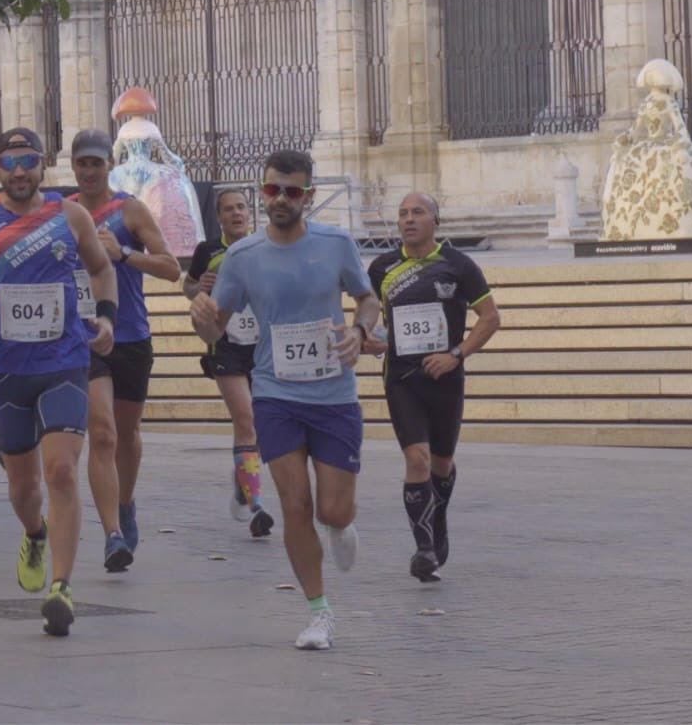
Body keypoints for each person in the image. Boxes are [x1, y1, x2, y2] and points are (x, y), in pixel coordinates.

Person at [190, 149, 380, 651]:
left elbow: (368, 298)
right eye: (271, 190)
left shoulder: (335, 244)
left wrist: (360, 331)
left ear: (308, 197)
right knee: (294, 504)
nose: (279, 200)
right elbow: (217, 324)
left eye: (291, 192)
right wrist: (201, 316)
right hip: (274, 392)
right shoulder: (243, 255)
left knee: (332, 510)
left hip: (333, 394)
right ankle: (318, 613)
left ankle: (341, 527)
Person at [0, 127, 118, 638]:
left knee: (60, 471)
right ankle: (34, 532)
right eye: (10, 161)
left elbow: (103, 270)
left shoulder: (69, 215)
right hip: (5, 365)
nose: (19, 171)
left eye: (29, 160)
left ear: (42, 166)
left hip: (65, 360)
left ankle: (61, 587)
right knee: (23, 485)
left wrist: (105, 317)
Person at [364, 192, 500, 582]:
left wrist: (456, 354)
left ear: (435, 220)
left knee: (440, 463)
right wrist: (369, 337)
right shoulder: (382, 268)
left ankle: (437, 520)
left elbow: (490, 319)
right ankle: (424, 549)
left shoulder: (458, 265)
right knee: (418, 459)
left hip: (445, 376)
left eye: (418, 212)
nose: (409, 219)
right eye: (403, 214)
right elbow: (370, 316)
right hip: (401, 378)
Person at [66, 128, 181, 572]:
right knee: (103, 433)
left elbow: (171, 269)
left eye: (97, 163)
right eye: (83, 163)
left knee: (127, 436)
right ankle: (113, 533)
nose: (90, 170)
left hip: (131, 335)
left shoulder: (129, 210)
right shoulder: (66, 214)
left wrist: (124, 254)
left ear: (108, 166)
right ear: (73, 167)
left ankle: (126, 503)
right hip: (86, 337)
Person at [184, 188, 274, 539]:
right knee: (246, 418)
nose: (236, 214)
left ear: (250, 213)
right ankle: (257, 506)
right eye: (228, 210)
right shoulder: (208, 251)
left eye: (241, 208)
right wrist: (199, 286)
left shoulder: (266, 247)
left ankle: (243, 480)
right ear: (219, 217)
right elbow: (189, 288)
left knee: (262, 423)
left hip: (264, 345)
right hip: (225, 344)